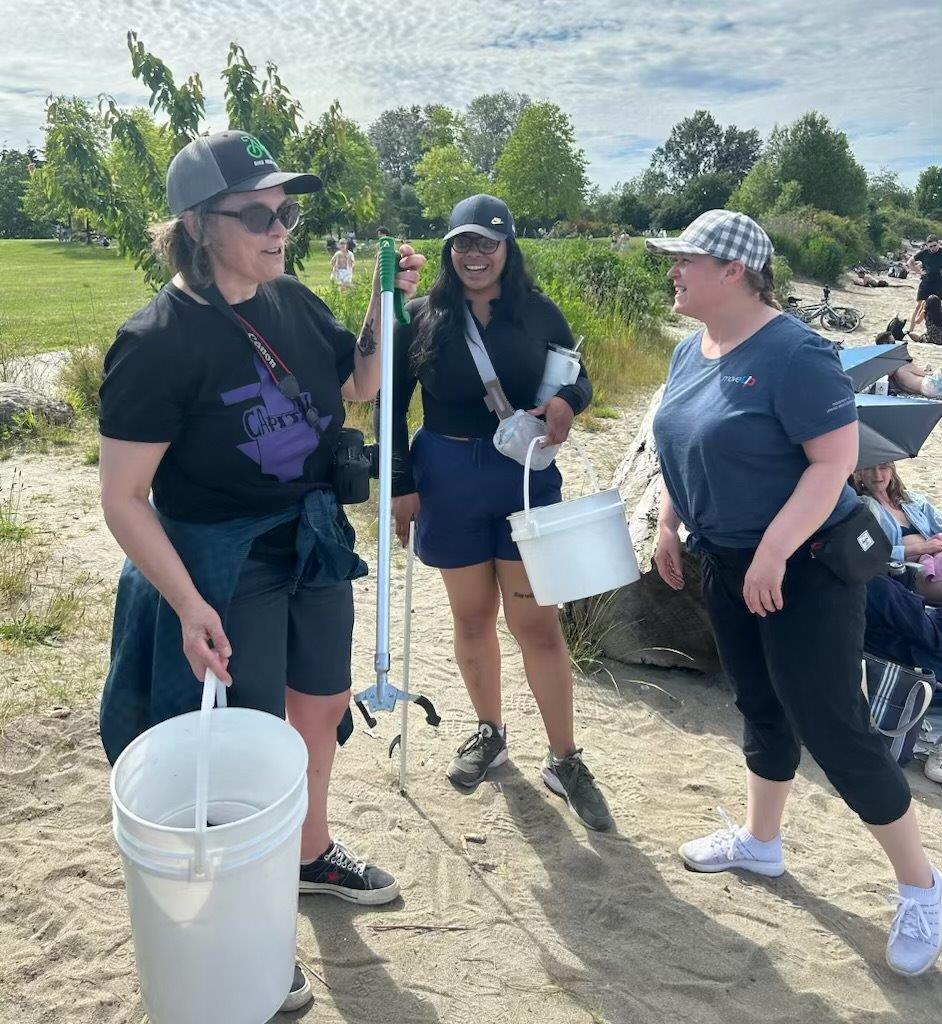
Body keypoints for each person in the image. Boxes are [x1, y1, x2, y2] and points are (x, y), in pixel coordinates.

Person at [97, 131, 425, 1012]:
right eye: (259, 213)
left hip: (311, 536)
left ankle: (310, 852)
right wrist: (187, 601)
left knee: (318, 704)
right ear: (200, 225)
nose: (281, 228)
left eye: (287, 211)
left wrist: (383, 313)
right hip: (220, 559)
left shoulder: (291, 298)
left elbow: (358, 385)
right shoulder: (154, 342)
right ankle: (246, 936)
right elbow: (124, 497)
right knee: (241, 745)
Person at [647, 209, 941, 977]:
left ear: (734, 270)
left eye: (685, 259)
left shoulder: (796, 352)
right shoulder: (691, 349)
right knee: (759, 703)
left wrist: (774, 552)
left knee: (834, 724)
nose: (672, 270)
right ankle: (762, 844)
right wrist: (670, 525)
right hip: (726, 559)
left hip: (803, 565)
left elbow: (831, 462)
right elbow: (679, 441)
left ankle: (923, 886)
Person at [384, 194, 613, 832]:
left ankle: (564, 759)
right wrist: (401, 482)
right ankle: (490, 733)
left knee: (536, 623)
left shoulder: (539, 312)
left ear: (508, 248)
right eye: (462, 243)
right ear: (448, 251)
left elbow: (579, 376)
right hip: (447, 478)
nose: (474, 255)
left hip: (523, 479)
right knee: (473, 615)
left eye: (487, 242)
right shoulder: (423, 317)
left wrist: (570, 400)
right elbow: (392, 407)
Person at [854, 463, 942, 603]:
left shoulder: (911, 499)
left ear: (892, 470)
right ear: (859, 474)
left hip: (936, 555)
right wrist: (921, 548)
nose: (877, 475)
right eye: (869, 467)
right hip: (912, 573)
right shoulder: (862, 510)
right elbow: (870, 553)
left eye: (883, 467)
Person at [906, 235, 942, 331]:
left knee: (935, 307)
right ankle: (910, 330)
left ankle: (932, 329)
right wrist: (919, 272)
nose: (933, 248)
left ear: (938, 243)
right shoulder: (924, 253)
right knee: (918, 305)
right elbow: (909, 262)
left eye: (935, 245)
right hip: (926, 282)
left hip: (938, 283)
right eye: (930, 246)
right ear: (927, 246)